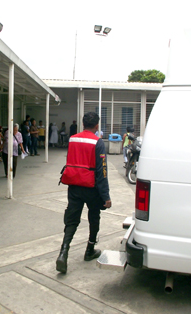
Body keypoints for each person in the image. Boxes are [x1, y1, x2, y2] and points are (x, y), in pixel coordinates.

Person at [56, 112, 112, 274]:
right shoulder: (98, 142)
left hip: (73, 186)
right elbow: (102, 172)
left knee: (71, 220)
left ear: (82, 124)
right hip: (91, 187)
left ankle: (63, 252)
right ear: (96, 126)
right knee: (94, 218)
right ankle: (89, 250)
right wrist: (106, 196)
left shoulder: (73, 139)